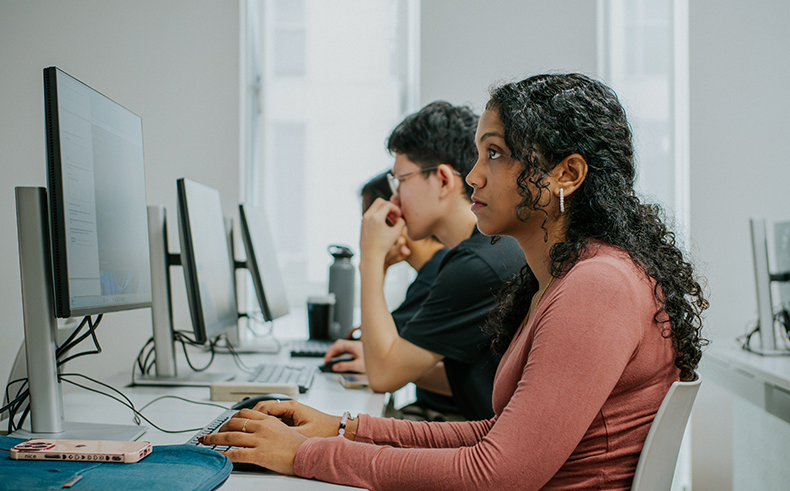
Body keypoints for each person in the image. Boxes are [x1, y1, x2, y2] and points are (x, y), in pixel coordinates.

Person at [201, 73, 708, 490]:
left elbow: (497, 471)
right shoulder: (577, 278)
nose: (472, 176)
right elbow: (498, 437)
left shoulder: (597, 287)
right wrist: (344, 428)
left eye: (494, 153)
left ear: (567, 174)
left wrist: (310, 455)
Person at [324, 101, 526, 421]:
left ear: (444, 180)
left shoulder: (474, 265)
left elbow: (383, 376)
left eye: (401, 180)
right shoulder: (489, 250)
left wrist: (371, 258)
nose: (394, 198)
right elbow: (478, 379)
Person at [357, 171, 460, 419]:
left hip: (442, 416)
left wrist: (373, 261)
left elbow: (382, 361)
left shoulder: (440, 273)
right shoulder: (432, 269)